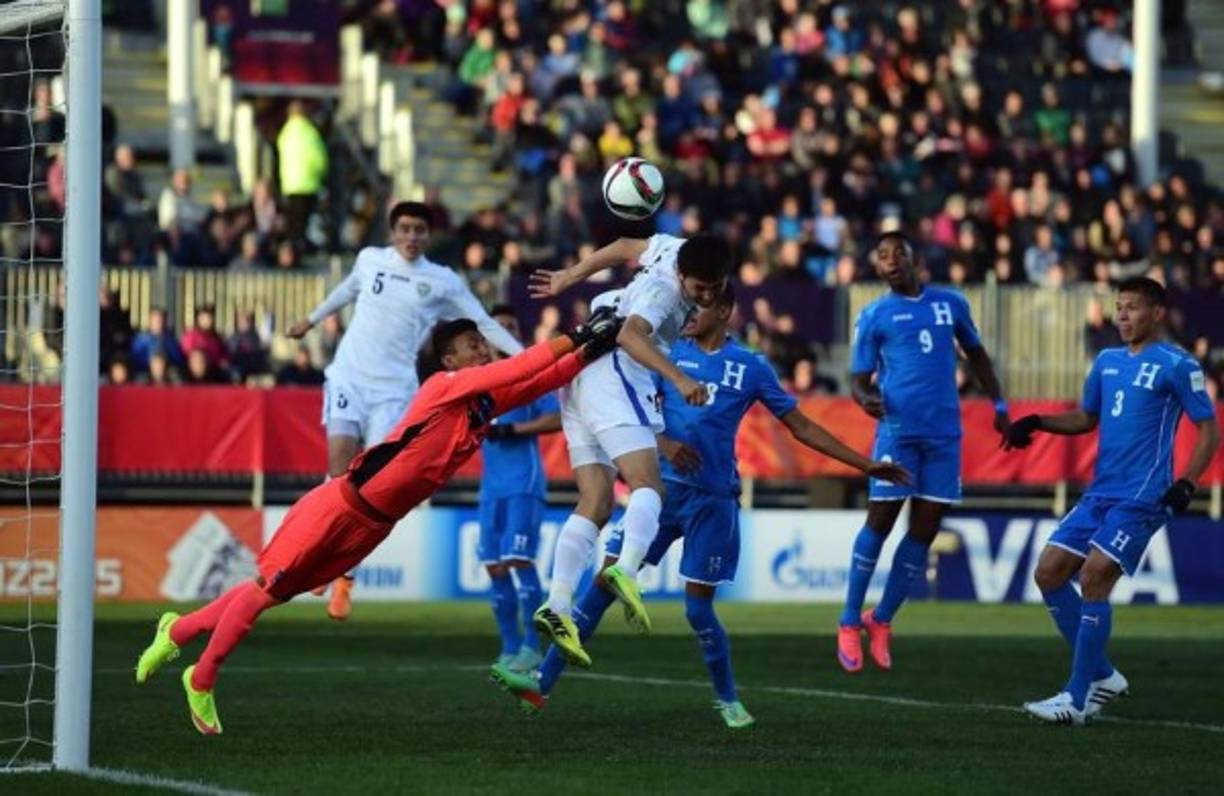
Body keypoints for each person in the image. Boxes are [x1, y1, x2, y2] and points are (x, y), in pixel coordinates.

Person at [133, 309, 624, 735]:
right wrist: (578, 334)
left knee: (273, 592)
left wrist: (587, 353)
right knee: (264, 590)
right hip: (339, 505)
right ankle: (201, 678)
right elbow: (522, 367)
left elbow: (538, 381)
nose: (483, 349)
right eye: (473, 344)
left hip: (373, 524)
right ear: (449, 361)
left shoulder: (479, 406)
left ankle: (177, 632)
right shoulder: (443, 386)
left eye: (483, 342)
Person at [492, 286, 910, 727]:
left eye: (701, 306)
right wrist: (665, 442)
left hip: (713, 499)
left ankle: (728, 699)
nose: (689, 312)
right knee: (603, 585)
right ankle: (542, 684)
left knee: (697, 609)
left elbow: (801, 426)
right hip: (660, 495)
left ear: (725, 310)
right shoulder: (664, 353)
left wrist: (865, 464)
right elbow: (628, 410)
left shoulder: (750, 366)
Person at [287, 201, 524, 620]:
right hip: (350, 377)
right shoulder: (370, 260)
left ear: (428, 236)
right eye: (404, 228)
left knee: (369, 484)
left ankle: (344, 575)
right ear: (393, 231)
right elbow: (347, 290)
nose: (411, 237)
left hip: (395, 392)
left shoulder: (442, 281)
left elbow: (483, 322)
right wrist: (310, 319)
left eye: (419, 230)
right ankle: (318, 556)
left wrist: (528, 360)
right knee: (338, 469)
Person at [1006, 278, 1218, 725]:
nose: (1122, 316)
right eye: (1118, 308)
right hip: (1101, 491)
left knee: (1095, 575)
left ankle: (1077, 699)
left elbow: (1208, 430)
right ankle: (1104, 676)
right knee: (1047, 572)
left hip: (1144, 494)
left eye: (1132, 308)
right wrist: (1037, 421)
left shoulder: (1178, 365)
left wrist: (1187, 482)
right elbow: (1087, 418)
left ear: (1157, 314)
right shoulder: (1105, 361)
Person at [527, 233, 731, 668]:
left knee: (596, 501)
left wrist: (569, 276)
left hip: (581, 372)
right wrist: (679, 379)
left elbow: (622, 245)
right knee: (648, 485)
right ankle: (627, 568)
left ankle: (557, 606)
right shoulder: (663, 292)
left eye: (714, 288)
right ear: (682, 276)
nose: (706, 297)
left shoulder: (673, 248)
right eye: (699, 289)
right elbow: (630, 336)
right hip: (614, 367)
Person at [837, 232, 1011, 673]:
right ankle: (846, 622)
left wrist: (1000, 405)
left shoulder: (950, 304)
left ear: (914, 259)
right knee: (880, 521)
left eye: (897, 252)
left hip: (943, 437)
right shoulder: (874, 315)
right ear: (876, 267)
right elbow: (858, 378)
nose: (890, 259)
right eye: (881, 255)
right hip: (897, 433)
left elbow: (977, 354)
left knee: (925, 530)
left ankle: (881, 620)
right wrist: (864, 398)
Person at [479, 305, 561, 674]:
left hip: (523, 484)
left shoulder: (531, 375)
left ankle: (532, 646)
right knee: (495, 567)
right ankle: (510, 647)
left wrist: (513, 430)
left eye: (510, 325)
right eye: (497, 327)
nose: (504, 332)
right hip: (490, 488)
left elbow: (557, 417)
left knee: (518, 560)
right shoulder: (479, 379)